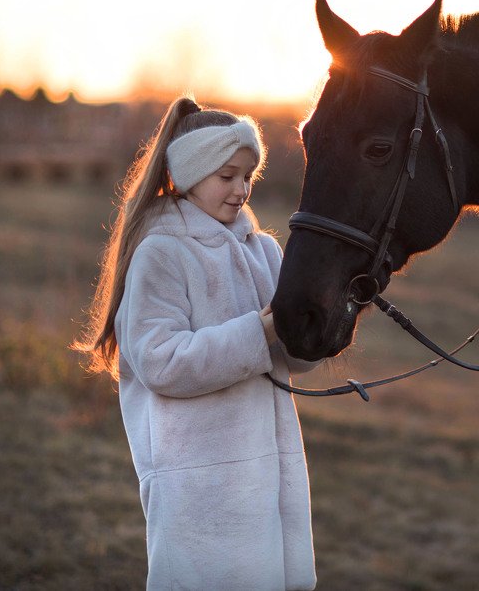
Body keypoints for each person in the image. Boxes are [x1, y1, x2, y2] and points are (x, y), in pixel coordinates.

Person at [75, 97, 317, 590]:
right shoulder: (162, 252)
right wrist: (261, 329)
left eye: (248, 176)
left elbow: (294, 359)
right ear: (189, 173)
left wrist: (323, 320)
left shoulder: (264, 249)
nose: (241, 189)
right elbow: (162, 363)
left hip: (269, 476)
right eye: (226, 176)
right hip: (200, 483)